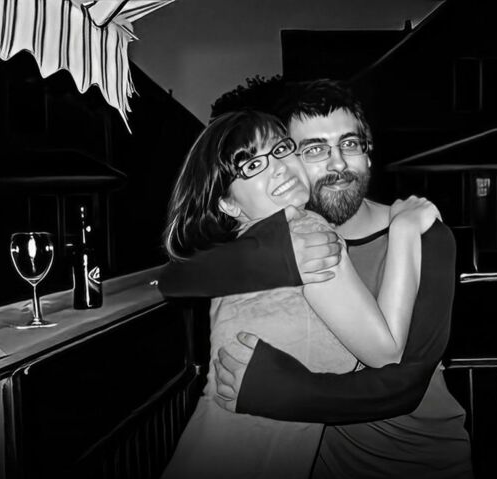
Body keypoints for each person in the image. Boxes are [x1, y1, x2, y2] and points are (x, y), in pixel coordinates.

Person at [159, 80, 473, 478]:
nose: (337, 163)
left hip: (419, 464)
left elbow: (405, 382)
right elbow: (175, 276)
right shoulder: (280, 241)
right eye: (314, 149)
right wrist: (276, 259)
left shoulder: (427, 235)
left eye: (350, 144)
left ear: (369, 155)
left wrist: (281, 392)